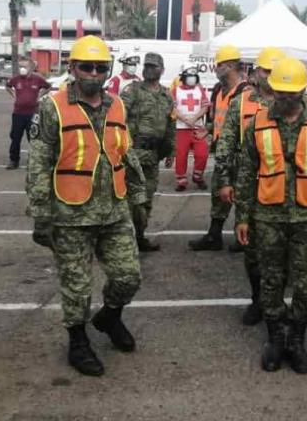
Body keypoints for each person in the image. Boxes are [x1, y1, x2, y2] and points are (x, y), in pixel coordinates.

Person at [26, 35, 147, 377]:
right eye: (87, 67)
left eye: (100, 68)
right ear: (73, 68)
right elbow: (39, 162)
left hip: (114, 210)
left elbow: (126, 151)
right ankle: (78, 342)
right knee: (76, 286)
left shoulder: (119, 105)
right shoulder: (52, 106)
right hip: (69, 212)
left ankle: (109, 316)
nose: (94, 74)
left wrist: (138, 197)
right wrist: (40, 215)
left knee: (128, 277)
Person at [235, 57, 307, 374]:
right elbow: (246, 172)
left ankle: (296, 339)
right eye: (278, 92)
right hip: (268, 215)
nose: (282, 99)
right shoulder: (258, 124)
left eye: (289, 93)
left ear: (303, 91)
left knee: (305, 285)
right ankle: (275, 339)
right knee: (271, 281)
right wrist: (242, 216)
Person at [214, 46, 284, 323]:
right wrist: (224, 180)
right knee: (253, 250)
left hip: (285, 188)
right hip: (250, 186)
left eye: (275, 72)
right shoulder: (241, 103)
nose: (270, 77)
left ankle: (279, 299)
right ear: (256, 72)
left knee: (285, 248)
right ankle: (257, 299)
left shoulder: (293, 100)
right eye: (267, 71)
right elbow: (226, 144)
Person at [189, 45, 250, 251]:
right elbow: (217, 119)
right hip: (222, 153)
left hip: (241, 154)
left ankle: (244, 238)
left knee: (243, 196)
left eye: (220, 64)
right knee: (218, 195)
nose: (216, 68)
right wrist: (208, 129)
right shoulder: (218, 89)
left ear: (232, 66)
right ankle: (214, 236)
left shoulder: (246, 92)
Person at [121, 52, 175, 253]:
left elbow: (171, 123)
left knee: (148, 199)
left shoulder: (166, 95)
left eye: (154, 66)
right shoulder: (132, 91)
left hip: (153, 155)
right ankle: (126, 238)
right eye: (147, 66)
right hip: (133, 153)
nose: (149, 69)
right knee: (132, 200)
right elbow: (119, 117)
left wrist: (171, 150)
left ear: (161, 69)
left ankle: (140, 236)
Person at [5, 60, 51, 169]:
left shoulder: (37, 79)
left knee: (33, 137)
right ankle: (14, 160)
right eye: (20, 66)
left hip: (32, 114)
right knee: (15, 137)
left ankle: (35, 160)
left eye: (24, 66)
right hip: (18, 114)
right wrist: (14, 95)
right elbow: (7, 86)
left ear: (31, 67)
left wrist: (39, 96)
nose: (22, 68)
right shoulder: (16, 79)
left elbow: (48, 87)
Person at [172, 66, 210, 191]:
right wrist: (184, 119)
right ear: (183, 77)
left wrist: (194, 119)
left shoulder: (200, 90)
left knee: (202, 153)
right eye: (189, 76)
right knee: (181, 155)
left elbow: (205, 106)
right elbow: (172, 107)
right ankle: (181, 181)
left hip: (197, 127)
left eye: (194, 76)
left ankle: (197, 176)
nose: (192, 79)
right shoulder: (176, 90)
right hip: (181, 128)